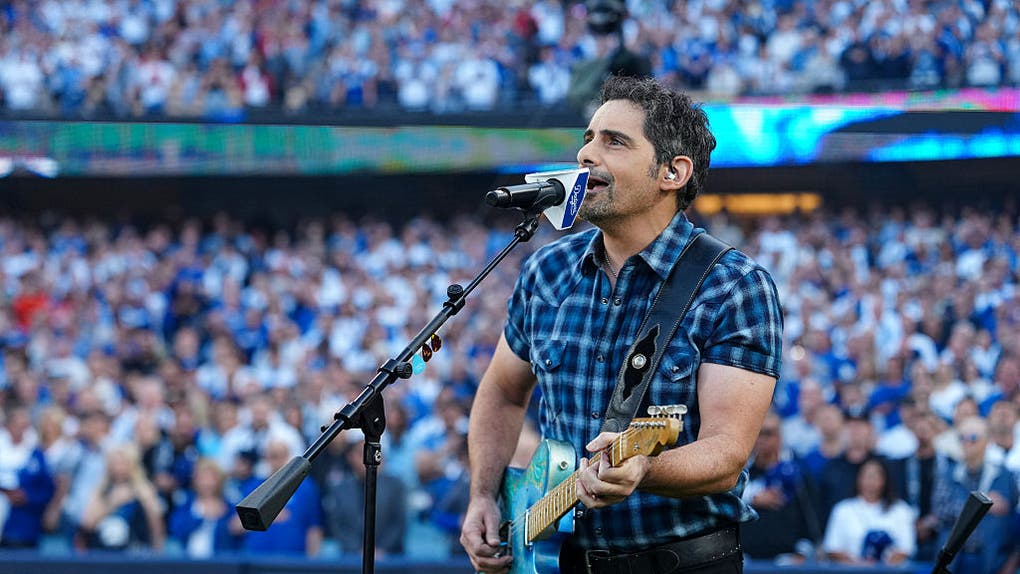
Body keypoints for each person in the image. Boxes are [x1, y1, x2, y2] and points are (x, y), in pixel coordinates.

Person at [460, 75, 783, 574]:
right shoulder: (546, 271)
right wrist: (483, 495)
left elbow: (726, 453)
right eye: (588, 138)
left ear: (672, 173)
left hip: (685, 564)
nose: (587, 154)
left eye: (614, 142)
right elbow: (502, 393)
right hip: (567, 559)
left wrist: (644, 468)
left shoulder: (733, 286)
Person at [822, 457, 916, 566]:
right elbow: (833, 548)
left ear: (885, 480)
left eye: (875, 476)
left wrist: (881, 568)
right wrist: (859, 566)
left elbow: (906, 548)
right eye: (866, 476)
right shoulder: (843, 509)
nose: (870, 481)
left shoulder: (901, 510)